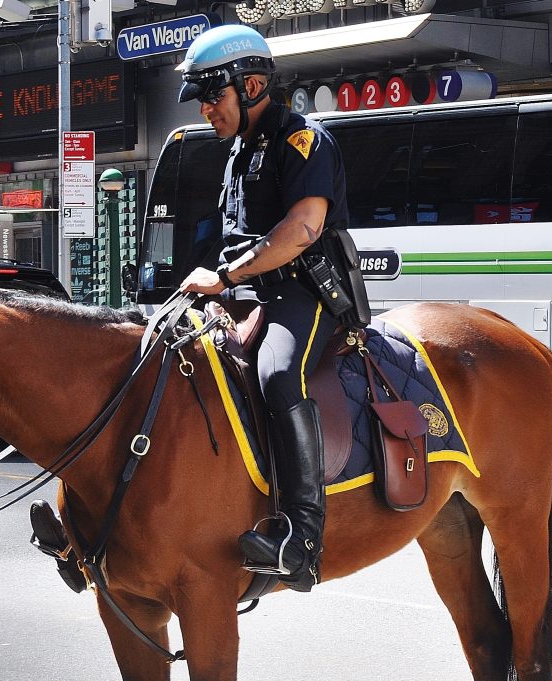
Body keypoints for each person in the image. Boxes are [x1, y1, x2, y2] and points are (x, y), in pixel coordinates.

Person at [178, 25, 366, 593]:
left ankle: (302, 541)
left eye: (214, 95)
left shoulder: (303, 141)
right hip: (244, 293)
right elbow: (229, 235)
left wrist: (227, 276)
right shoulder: (237, 152)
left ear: (252, 84)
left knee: (278, 374)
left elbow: (302, 229)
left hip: (303, 293)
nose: (207, 109)